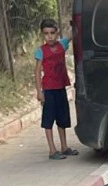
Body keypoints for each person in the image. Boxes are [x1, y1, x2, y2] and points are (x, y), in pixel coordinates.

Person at [33, 18, 77, 160]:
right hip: (49, 89)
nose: (49, 36)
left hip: (60, 87)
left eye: (52, 33)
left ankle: (64, 147)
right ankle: (52, 150)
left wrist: (74, 24)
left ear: (57, 33)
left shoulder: (61, 45)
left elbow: (71, 35)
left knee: (62, 117)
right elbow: (37, 71)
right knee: (48, 119)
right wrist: (39, 91)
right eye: (46, 33)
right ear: (42, 35)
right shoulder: (41, 51)